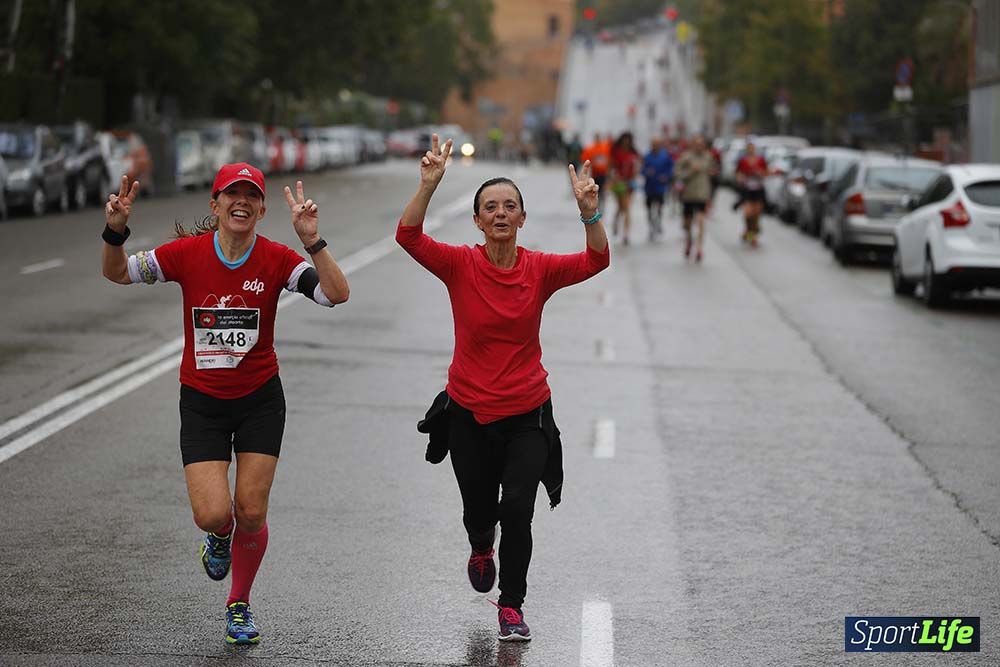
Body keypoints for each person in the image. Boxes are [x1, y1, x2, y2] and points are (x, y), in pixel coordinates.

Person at [100, 164, 350, 645]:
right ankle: (218, 537)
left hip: (259, 400)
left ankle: (239, 603)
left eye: (251, 196)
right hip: (202, 403)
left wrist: (313, 242)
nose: (241, 202)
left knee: (251, 511)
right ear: (214, 205)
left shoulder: (277, 260)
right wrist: (115, 231)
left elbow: (336, 295)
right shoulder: (185, 255)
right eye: (230, 194)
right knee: (215, 514)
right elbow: (116, 273)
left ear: (260, 208)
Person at [397, 135, 609, 642]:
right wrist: (428, 185)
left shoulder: (539, 269)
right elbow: (408, 236)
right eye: (489, 206)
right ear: (476, 220)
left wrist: (588, 214)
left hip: (527, 415)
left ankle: (511, 604)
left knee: (517, 507)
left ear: (522, 218)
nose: (499, 213)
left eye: (509, 206)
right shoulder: (459, 265)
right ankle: (478, 544)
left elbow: (596, 261)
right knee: (479, 510)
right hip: (468, 412)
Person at [674, 135, 715, 262]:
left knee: (701, 221)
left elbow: (713, 171)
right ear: (693, 145)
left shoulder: (708, 157)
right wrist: (690, 171)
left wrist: (712, 173)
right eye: (697, 144)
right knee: (687, 223)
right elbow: (677, 173)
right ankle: (689, 240)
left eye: (701, 144)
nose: (699, 147)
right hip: (688, 195)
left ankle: (699, 249)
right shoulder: (686, 157)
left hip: (702, 194)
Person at [609, 132, 641, 245]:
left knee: (627, 208)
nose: (626, 142)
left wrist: (636, 175)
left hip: (630, 183)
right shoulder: (616, 152)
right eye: (625, 140)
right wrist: (613, 179)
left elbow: (639, 164)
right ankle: (616, 222)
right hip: (619, 183)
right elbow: (611, 167)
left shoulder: (633, 153)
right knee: (621, 207)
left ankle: (626, 234)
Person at [736, 141, 768, 246]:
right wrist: (741, 178)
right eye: (749, 148)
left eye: (752, 148)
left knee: (756, 215)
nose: (751, 150)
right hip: (747, 190)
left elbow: (766, 173)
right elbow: (738, 174)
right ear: (746, 149)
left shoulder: (761, 160)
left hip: (758, 190)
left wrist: (760, 173)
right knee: (748, 214)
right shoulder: (742, 161)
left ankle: (752, 236)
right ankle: (748, 230)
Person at [642, 137, 674, 242]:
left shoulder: (665, 156)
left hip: (660, 186)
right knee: (649, 208)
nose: (655, 146)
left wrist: (666, 176)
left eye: (657, 144)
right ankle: (651, 225)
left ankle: (659, 220)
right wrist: (647, 172)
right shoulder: (647, 156)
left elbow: (671, 168)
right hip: (649, 186)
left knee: (660, 205)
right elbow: (642, 170)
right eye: (653, 144)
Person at [580, 133, 612, 212]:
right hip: (595, 174)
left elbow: (610, 157)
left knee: (602, 191)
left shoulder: (605, 148)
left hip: (603, 174)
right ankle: (598, 206)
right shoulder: (592, 148)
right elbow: (585, 159)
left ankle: (601, 207)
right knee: (596, 190)